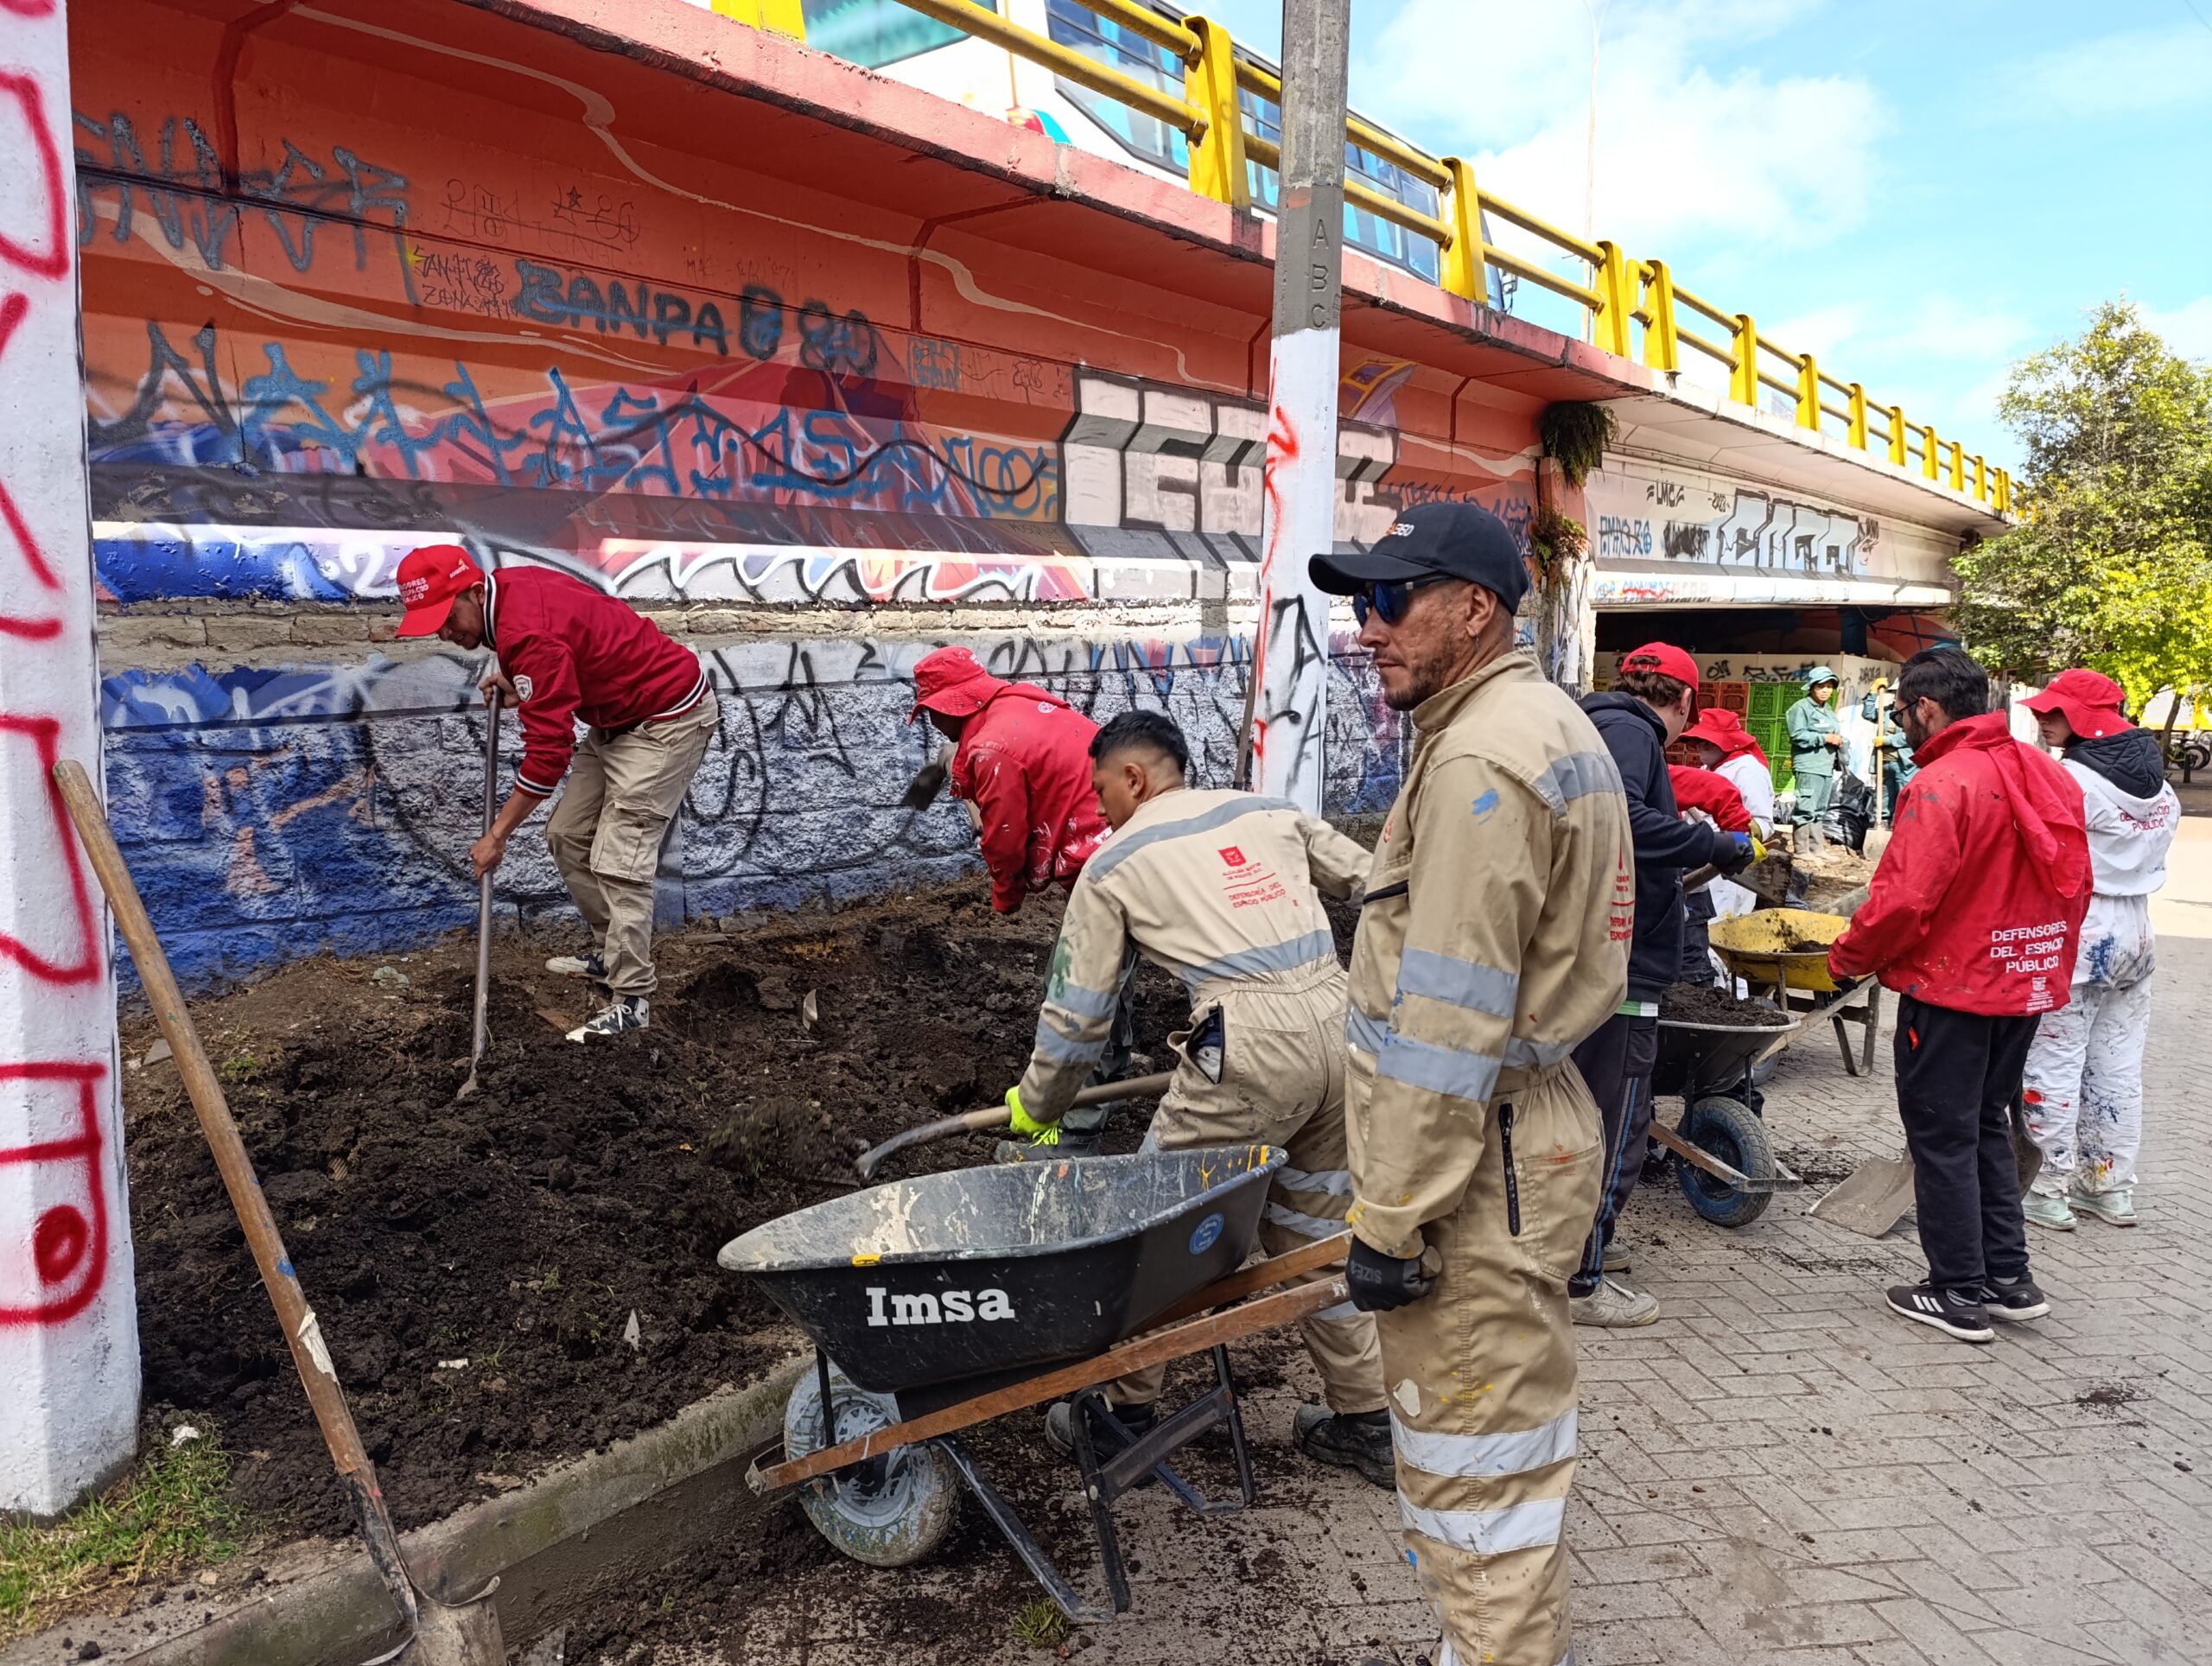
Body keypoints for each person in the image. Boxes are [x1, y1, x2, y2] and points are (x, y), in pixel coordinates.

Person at [1311, 501, 1634, 1666]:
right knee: (1502, 1459)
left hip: (1468, 1173)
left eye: (1392, 600)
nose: (1369, 626)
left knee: (1475, 1481)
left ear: (1474, 608)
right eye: (1361, 602)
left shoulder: (1483, 763)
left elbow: (1444, 1025)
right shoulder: (1533, 724)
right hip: (1513, 1141)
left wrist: (1390, 1216)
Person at [1002, 709, 1391, 1485]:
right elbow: (1384, 884)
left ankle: (1125, 1415)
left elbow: (1079, 1020)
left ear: (1136, 777)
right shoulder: (1267, 811)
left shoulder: (1115, 864)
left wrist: (1038, 1107)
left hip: (1248, 1053)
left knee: (1152, 1231)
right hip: (1347, 1032)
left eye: (1102, 789)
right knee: (1313, 1234)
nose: (1100, 807)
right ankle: (1370, 1421)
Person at [1827, 647, 2091, 1343]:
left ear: (1929, 708)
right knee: (1984, 1129)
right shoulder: (2045, 772)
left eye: (1904, 712)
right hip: (2022, 987)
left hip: (1953, 990)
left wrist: (1845, 959)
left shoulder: (1945, 783)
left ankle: (1956, 1291)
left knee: (1943, 1139)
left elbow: (1904, 901)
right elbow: (2075, 885)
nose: (1903, 724)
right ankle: (2008, 1279)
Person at [393, 544, 716, 1040]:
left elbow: (548, 754)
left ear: (475, 592)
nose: (444, 632)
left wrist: (497, 835)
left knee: (619, 857)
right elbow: (566, 650)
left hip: (665, 719)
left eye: (448, 616)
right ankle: (612, 954)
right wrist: (523, 682)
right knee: (567, 834)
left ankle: (632, 1000)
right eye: (432, 623)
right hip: (618, 716)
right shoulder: (510, 597)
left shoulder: (524, 633)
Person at [1571, 645, 1759, 1326]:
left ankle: (1575, 1255)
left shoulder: (1596, 723)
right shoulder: (1630, 730)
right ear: (1684, 702)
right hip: (1619, 966)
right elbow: (1619, 817)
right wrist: (1712, 846)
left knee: (1591, 1116)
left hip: (1595, 954)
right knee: (1615, 1121)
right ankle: (1581, 1277)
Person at [907, 645, 1121, 1154]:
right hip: (1123, 834)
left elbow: (1005, 835)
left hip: (1109, 862)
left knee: (1078, 990)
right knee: (1109, 980)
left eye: (931, 713)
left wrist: (1007, 895)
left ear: (947, 709)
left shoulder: (990, 750)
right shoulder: (1022, 703)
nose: (933, 724)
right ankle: (1104, 1079)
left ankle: (1073, 1131)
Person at [2017, 669, 2180, 1230]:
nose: (2043, 718)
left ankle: (2047, 1187)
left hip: (2081, 926)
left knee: (2054, 1060)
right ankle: (2108, 1187)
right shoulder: (2160, 785)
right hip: (2137, 930)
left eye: (2054, 711)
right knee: (2118, 1066)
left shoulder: (2073, 780)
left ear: (2084, 719)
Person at [1681, 706, 1777, 920]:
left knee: (1720, 926)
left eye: (1710, 741)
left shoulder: (1748, 770)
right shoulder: (1709, 769)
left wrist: (1732, 839)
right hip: (1700, 861)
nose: (1703, 745)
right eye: (1700, 740)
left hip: (1727, 873)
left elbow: (1763, 823)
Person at [1785, 667, 1845, 840]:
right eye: (1820, 686)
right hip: (1809, 765)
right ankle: (1802, 850)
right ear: (1811, 687)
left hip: (1826, 766)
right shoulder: (1801, 708)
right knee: (1806, 807)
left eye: (1829, 686)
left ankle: (1816, 847)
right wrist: (1825, 738)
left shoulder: (1828, 710)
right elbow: (1797, 735)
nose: (1825, 690)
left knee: (1819, 808)